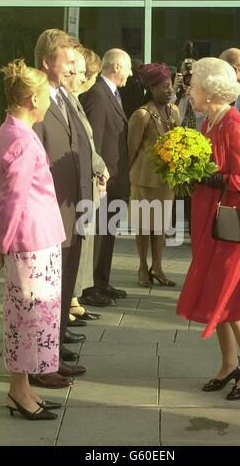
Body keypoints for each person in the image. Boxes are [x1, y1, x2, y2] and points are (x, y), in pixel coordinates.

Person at [176, 58, 240, 400]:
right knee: (216, 293)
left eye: (194, 85)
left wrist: (207, 178)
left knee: (234, 295)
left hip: (233, 228)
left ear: (210, 92)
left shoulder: (235, 126)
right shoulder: (210, 123)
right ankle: (230, 364)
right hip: (211, 221)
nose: (190, 90)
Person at [0, 60, 66, 419]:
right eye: (46, 95)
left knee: (30, 319)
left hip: (34, 240)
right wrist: (2, 242)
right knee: (29, 320)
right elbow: (11, 198)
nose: (50, 100)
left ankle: (21, 390)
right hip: (30, 244)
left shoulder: (14, 131)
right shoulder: (20, 138)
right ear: (32, 98)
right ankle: (19, 393)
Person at [32, 29, 87, 387]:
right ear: (47, 62)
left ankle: (55, 347)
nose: (72, 69)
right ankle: (41, 362)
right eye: (67, 63)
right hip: (51, 212)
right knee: (47, 291)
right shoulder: (36, 101)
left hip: (74, 207)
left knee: (65, 283)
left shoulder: (65, 96)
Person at [80, 48, 132, 307]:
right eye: (128, 68)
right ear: (117, 67)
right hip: (105, 179)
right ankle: (90, 287)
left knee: (108, 232)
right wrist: (98, 175)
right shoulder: (98, 95)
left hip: (116, 178)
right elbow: (93, 141)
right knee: (99, 233)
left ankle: (102, 281)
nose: (131, 74)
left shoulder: (112, 93)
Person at [62, 47, 109, 320]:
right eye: (77, 71)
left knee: (85, 243)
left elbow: (87, 142)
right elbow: (82, 145)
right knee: (78, 243)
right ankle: (70, 301)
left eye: (81, 72)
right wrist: (100, 166)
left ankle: (73, 299)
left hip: (88, 181)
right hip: (78, 185)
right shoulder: (69, 100)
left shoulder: (75, 99)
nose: (80, 77)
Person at [127, 63, 181, 287]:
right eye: (164, 87)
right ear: (151, 88)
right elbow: (131, 149)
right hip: (143, 180)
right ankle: (142, 266)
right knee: (144, 225)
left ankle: (157, 267)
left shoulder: (174, 111)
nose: (169, 91)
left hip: (166, 180)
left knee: (161, 226)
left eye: (170, 86)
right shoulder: (141, 115)